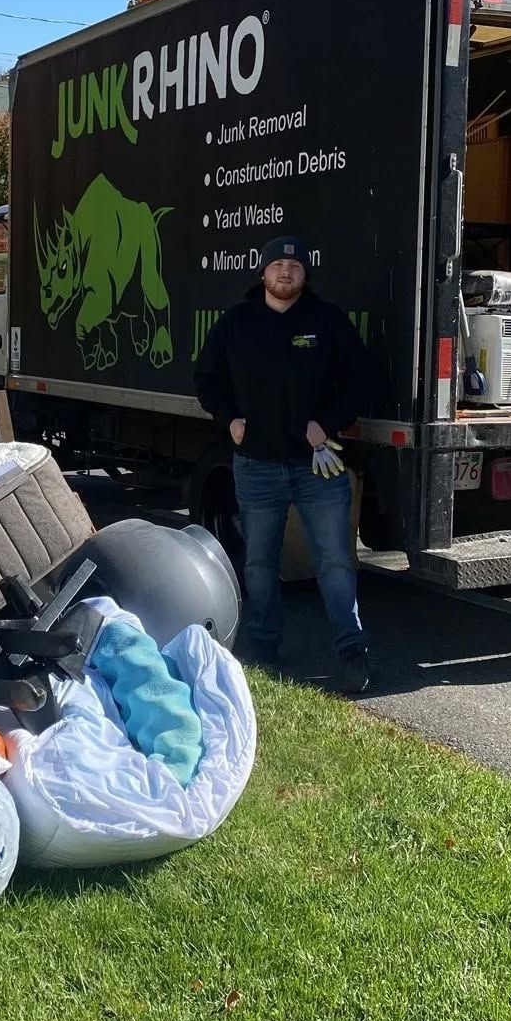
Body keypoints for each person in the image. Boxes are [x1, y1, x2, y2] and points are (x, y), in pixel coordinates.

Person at [193, 235, 371, 693]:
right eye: (278, 265)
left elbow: (360, 381)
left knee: (334, 561)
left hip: (318, 466)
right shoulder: (236, 324)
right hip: (256, 466)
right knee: (258, 564)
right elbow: (206, 379)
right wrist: (229, 420)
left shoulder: (327, 322)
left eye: (294, 265)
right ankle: (265, 648)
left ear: (305, 275)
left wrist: (327, 423)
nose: (286, 272)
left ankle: (353, 651)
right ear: (263, 273)